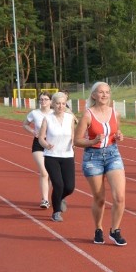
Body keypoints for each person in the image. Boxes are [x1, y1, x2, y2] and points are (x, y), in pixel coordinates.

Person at [73, 81, 127, 246]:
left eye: (107, 92)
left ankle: (115, 230)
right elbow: (77, 140)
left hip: (112, 154)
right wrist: (93, 141)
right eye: (101, 92)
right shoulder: (88, 115)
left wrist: (119, 136)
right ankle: (98, 228)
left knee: (119, 196)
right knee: (100, 199)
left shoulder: (115, 113)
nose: (104, 95)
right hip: (92, 157)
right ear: (94, 95)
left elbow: (117, 132)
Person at [37, 92, 76, 222]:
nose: (60, 106)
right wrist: (46, 145)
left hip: (67, 155)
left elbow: (73, 135)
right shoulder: (47, 118)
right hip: (51, 156)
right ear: (53, 104)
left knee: (69, 187)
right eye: (58, 103)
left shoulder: (70, 118)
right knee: (58, 185)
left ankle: (58, 198)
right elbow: (41, 138)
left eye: (63, 103)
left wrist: (74, 143)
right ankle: (56, 212)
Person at [23, 92, 52, 208]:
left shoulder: (55, 113)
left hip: (52, 145)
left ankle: (47, 196)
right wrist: (32, 132)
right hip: (38, 144)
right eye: (41, 99)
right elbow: (25, 124)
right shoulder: (34, 113)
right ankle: (45, 200)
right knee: (44, 172)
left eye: (45, 99)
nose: (43, 101)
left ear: (50, 101)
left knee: (50, 174)